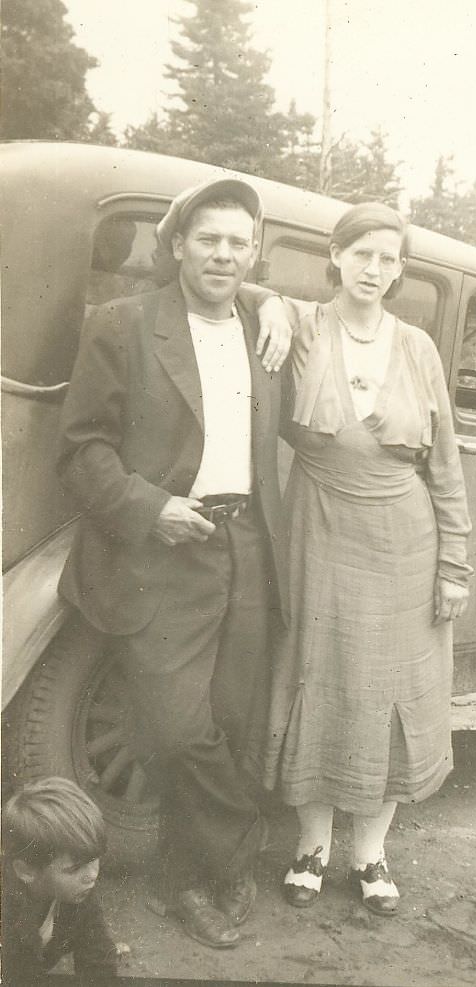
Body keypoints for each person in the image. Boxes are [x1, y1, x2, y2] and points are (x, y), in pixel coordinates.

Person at [56, 176, 291, 949]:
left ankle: (182, 879)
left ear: (254, 256)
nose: (224, 254)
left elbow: (352, 313)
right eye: (210, 238)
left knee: (229, 717)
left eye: (239, 243)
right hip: (159, 552)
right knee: (182, 727)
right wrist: (151, 509)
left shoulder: (263, 319)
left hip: (246, 546)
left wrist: (284, 304)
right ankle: (237, 852)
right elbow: (82, 449)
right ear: (180, 243)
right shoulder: (123, 325)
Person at [251, 202, 473, 917]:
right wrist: (274, 304)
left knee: (390, 694)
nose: (374, 269)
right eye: (362, 254)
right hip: (318, 529)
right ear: (336, 256)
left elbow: (444, 463)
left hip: (406, 545)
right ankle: (311, 847)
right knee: (322, 680)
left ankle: (370, 854)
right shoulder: (305, 325)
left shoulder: (418, 348)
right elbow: (237, 293)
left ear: (399, 269)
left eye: (388, 258)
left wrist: (455, 564)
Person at [2, 776, 119, 982]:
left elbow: (99, 962)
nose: (92, 875)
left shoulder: (79, 891)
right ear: (26, 871)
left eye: (94, 860)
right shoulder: (7, 913)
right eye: (74, 869)